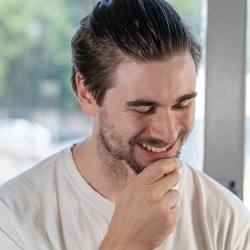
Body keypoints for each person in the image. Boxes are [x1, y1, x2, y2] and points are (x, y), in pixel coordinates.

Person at [0, 0, 250, 249]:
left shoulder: (228, 221)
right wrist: (128, 243)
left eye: (182, 105)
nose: (168, 132)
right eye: (143, 108)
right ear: (87, 94)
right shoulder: (12, 218)